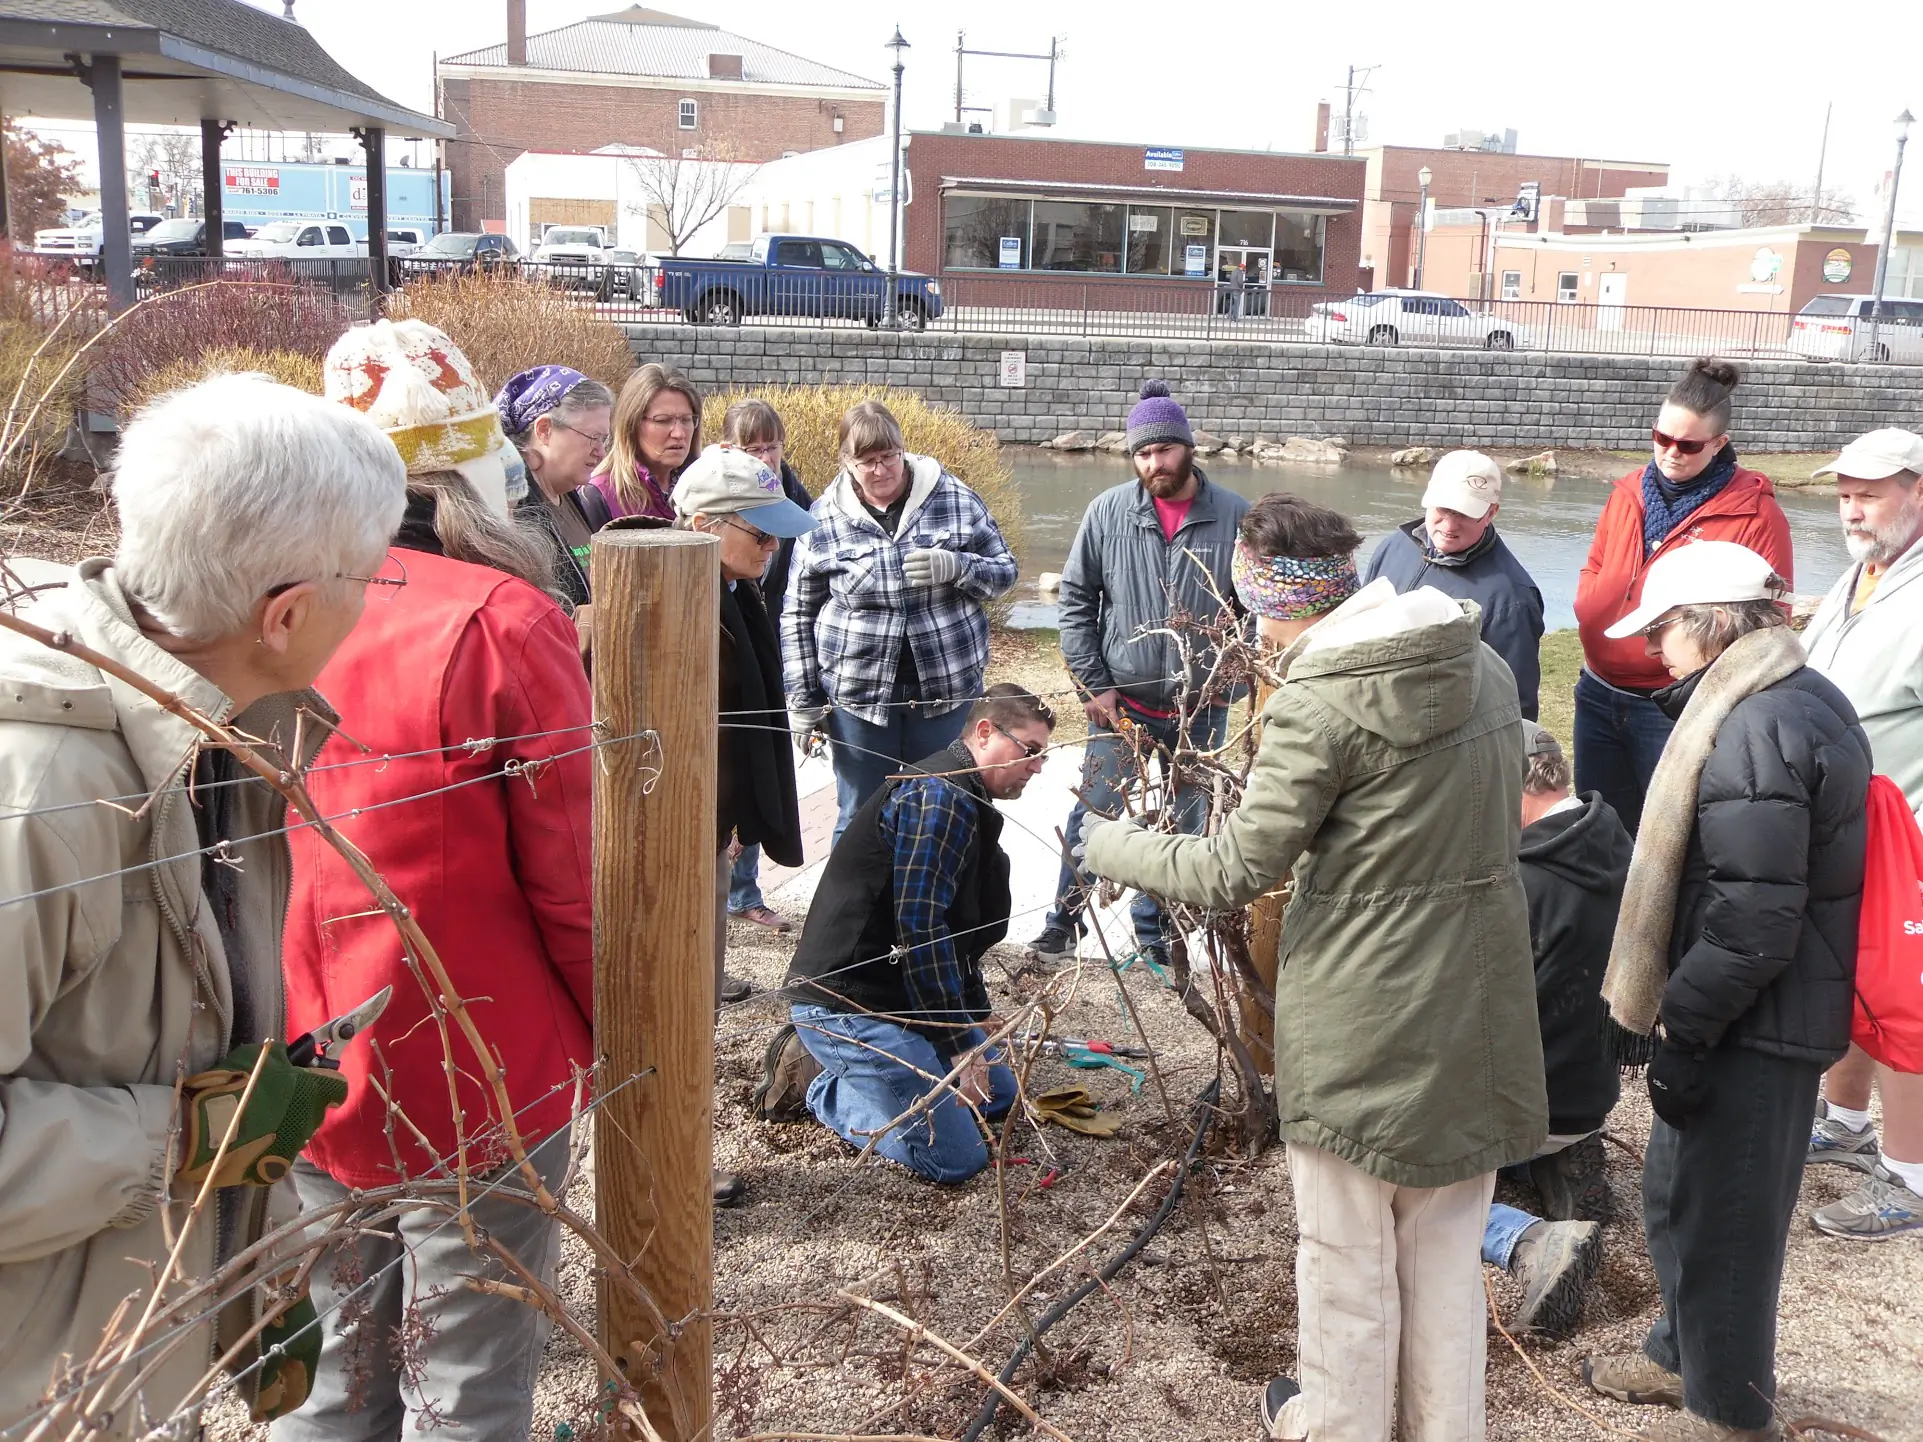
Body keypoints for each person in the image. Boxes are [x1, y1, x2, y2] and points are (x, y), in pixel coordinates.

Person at [1082, 494, 1547, 1442]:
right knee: (1447, 1256)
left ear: (1273, 600)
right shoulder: (1485, 666)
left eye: (1256, 608)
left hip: (1363, 1017)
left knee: (1346, 1257)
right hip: (1482, 1006)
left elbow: (1234, 867)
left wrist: (1109, 844)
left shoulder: (1318, 701)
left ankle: (1337, 1426)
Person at [0, 374, 407, 1433]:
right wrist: (176, 1136)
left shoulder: (218, 723)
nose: (376, 600)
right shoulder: (47, 798)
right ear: (287, 613)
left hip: (109, 1341)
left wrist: (245, 1254)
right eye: (373, 577)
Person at [277, 319, 597, 1442]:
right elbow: (573, 878)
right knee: (463, 1377)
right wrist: (612, 1024)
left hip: (296, 1044)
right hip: (476, 1056)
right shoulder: (507, 619)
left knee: (331, 1368)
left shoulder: (265, 615)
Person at [1582, 541, 1868, 1442]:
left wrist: (1684, 1030)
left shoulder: (1755, 725)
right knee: (1679, 1198)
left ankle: (1729, 1417)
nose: (1654, 650)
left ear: (1708, 624)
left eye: (1663, 629)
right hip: (1749, 1012)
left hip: (1754, 1025)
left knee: (1729, 1233)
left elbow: (1753, 922)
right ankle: (1679, 1357)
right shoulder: (1780, 696)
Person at [752, 684, 1053, 1182]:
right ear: (984, 732)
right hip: (848, 1003)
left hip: (902, 997)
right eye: (1031, 750)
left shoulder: (965, 796)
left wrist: (973, 1018)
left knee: (998, 1096)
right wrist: (960, 1043)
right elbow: (922, 929)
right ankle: (819, 1084)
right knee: (956, 1158)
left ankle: (883, 1074)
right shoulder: (938, 797)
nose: (1038, 766)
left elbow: (959, 937)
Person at [1028, 379, 1249, 967]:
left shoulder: (1237, 518)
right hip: (1120, 705)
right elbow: (1076, 601)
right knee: (1094, 813)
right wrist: (1093, 684)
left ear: (1188, 447)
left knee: (1183, 827)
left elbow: (1258, 615)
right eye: (1143, 454)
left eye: (1165, 451)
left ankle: (1158, 933)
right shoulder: (1107, 513)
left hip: (1200, 711)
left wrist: (1235, 678)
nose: (1155, 463)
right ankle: (1062, 922)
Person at [1573, 358, 1793, 834]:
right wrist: (1588, 603)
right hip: (1598, 690)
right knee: (1597, 825)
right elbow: (1596, 560)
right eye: (1661, 438)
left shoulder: (1754, 514)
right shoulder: (1628, 491)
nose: (1671, 453)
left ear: (1719, 444)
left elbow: (1772, 618)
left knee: (1667, 833)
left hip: (1673, 704)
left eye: (1688, 445)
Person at [782, 400, 1018, 841]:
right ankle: (855, 911)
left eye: (888, 456)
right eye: (866, 461)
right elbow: (797, 612)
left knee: (944, 810)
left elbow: (1005, 572)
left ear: (903, 451)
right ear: (847, 463)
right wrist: (802, 698)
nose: (880, 470)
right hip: (860, 701)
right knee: (861, 817)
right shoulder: (823, 519)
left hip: (947, 695)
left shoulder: (952, 497)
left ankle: (935, 909)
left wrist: (959, 567)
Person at [1798, 427, 1923, 1240]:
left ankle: (1910, 1178)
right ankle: (1844, 1121)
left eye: (1871, 493)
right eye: (1845, 492)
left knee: (1906, 1001)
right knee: (1847, 975)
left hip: (1906, 832)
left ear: (1917, 492)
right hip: (1847, 826)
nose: (1853, 508)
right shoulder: (1861, 572)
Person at [1482, 722, 1631, 1343]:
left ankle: (1529, 1239)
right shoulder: (1617, 841)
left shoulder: (1518, 881)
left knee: (1381, 1185)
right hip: (1590, 1091)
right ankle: (1558, 1160)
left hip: (1522, 1108)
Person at [671, 443, 815, 1009]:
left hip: (714, 808)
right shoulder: (677, 596)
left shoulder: (732, 585)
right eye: (761, 533)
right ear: (705, 524)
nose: (774, 546)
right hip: (681, 810)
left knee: (709, 928)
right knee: (684, 943)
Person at [721, 398, 817, 934]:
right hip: (743, 632)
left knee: (762, 765)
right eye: (752, 449)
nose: (765, 458)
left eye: (772, 449)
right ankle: (733, 888)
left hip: (772, 636)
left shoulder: (792, 492)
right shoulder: (718, 492)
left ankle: (745, 888)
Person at [1361, 448, 1545, 719]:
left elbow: (1515, 704)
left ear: (1491, 513)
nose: (1448, 525)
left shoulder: (1511, 599)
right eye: (1443, 509)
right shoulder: (1394, 546)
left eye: (1465, 514)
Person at [495, 365, 617, 611]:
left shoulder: (570, 494)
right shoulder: (515, 511)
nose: (601, 452)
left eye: (603, 440)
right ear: (545, 430)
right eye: (592, 437)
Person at [588, 362, 701, 522]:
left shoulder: (704, 492)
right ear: (632, 424)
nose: (679, 433)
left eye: (686, 420)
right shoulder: (599, 496)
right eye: (662, 420)